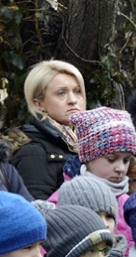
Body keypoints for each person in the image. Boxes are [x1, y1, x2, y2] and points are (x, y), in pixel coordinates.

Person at [52, 107, 136, 250]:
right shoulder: (61, 203)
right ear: (88, 158)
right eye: (111, 159)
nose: (121, 168)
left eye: (126, 160)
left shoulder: (129, 205)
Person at [10, 60, 86, 199]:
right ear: (39, 104)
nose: (73, 100)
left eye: (77, 91)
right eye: (61, 93)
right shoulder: (34, 152)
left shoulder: (86, 144)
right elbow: (38, 212)